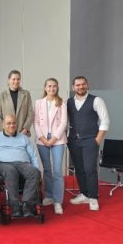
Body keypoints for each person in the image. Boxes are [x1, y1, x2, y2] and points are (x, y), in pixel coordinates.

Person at [0, 114, 40, 217]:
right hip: (3, 164)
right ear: (3, 125)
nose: (11, 125)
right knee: (11, 172)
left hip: (22, 163)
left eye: (13, 123)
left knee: (35, 172)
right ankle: (15, 206)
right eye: (8, 123)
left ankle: (27, 205)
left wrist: (37, 169)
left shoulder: (24, 138)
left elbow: (33, 156)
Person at [67, 76, 110, 211]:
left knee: (90, 169)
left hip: (90, 140)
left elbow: (105, 121)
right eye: (77, 85)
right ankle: (84, 194)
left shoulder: (96, 100)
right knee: (79, 169)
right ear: (73, 87)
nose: (80, 87)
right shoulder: (68, 102)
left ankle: (93, 197)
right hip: (73, 141)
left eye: (83, 84)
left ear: (87, 85)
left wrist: (97, 139)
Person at [34, 78, 67, 214]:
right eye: (49, 86)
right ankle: (48, 196)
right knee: (46, 169)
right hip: (42, 140)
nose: (52, 88)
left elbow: (64, 122)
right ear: (45, 87)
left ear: (57, 88)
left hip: (57, 140)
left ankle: (58, 201)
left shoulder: (61, 102)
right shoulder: (38, 103)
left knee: (57, 171)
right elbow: (35, 122)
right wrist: (42, 138)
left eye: (54, 86)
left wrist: (53, 139)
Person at [0, 70, 34, 136]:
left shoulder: (26, 94)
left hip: (22, 133)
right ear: (9, 80)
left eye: (18, 79)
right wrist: (5, 130)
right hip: (5, 134)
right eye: (13, 79)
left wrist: (25, 128)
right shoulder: (1, 95)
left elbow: (30, 114)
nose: (16, 81)